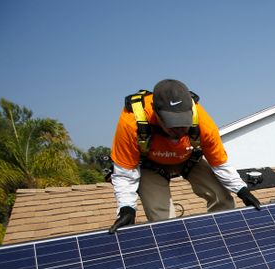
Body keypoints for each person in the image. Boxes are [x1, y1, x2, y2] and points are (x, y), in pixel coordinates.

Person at [108, 79, 261, 233]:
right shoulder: (131, 122)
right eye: (172, 125)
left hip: (188, 159)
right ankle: (176, 249)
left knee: (223, 199)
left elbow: (220, 164)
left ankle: (222, 239)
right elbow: (125, 174)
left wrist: (242, 190)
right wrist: (126, 208)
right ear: (155, 112)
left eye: (183, 124)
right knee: (162, 220)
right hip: (151, 165)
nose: (179, 131)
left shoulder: (203, 123)